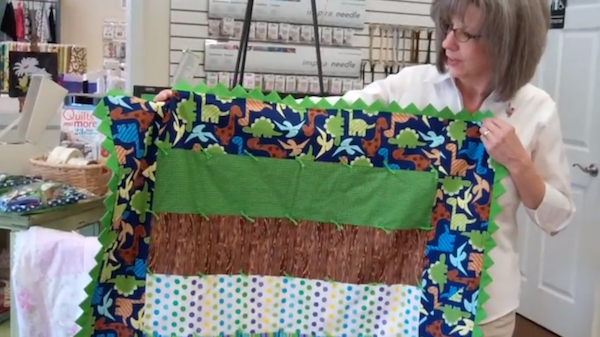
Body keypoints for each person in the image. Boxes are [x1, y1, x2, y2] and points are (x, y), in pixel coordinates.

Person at [155, 0, 575, 335]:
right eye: (447, 26)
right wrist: (203, 110)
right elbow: (317, 119)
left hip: (485, 306)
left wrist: (519, 163)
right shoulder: (411, 88)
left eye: (466, 34)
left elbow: (557, 217)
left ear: (508, 42)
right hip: (398, 299)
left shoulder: (536, 110)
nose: (448, 43)